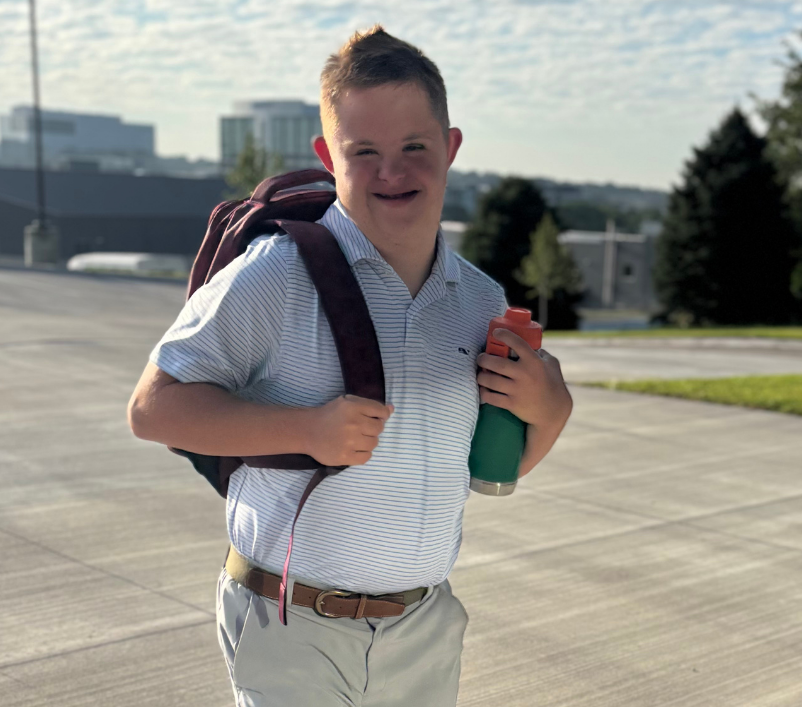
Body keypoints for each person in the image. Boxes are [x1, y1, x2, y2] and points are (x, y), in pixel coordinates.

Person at [127, 25, 573, 707]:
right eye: (363, 151)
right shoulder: (276, 274)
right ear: (327, 156)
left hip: (422, 625)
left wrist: (550, 409)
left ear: (450, 149)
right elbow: (153, 409)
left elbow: (486, 472)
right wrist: (306, 429)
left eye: (413, 147)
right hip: (291, 622)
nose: (391, 171)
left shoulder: (480, 300)